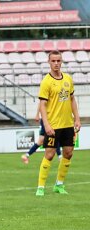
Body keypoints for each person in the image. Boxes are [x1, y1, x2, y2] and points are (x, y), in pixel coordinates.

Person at [35, 50, 81, 196]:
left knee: (68, 153)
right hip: (53, 125)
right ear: (49, 62)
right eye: (53, 61)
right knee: (49, 154)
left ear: (61, 62)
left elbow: (72, 99)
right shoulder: (46, 82)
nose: (56, 63)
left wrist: (77, 118)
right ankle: (41, 187)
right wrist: (46, 125)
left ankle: (59, 185)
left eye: (58, 61)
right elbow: (42, 105)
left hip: (68, 124)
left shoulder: (68, 79)